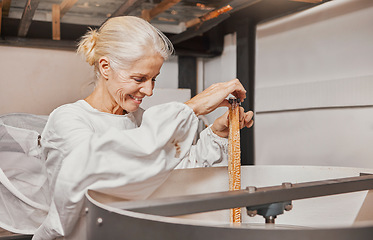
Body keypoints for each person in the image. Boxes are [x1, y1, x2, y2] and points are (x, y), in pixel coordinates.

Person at [32, 16, 254, 239]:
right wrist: (192, 107)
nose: (149, 91)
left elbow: (175, 175)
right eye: (139, 78)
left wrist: (217, 134)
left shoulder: (140, 119)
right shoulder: (68, 120)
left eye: (154, 79)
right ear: (106, 67)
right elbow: (105, 172)